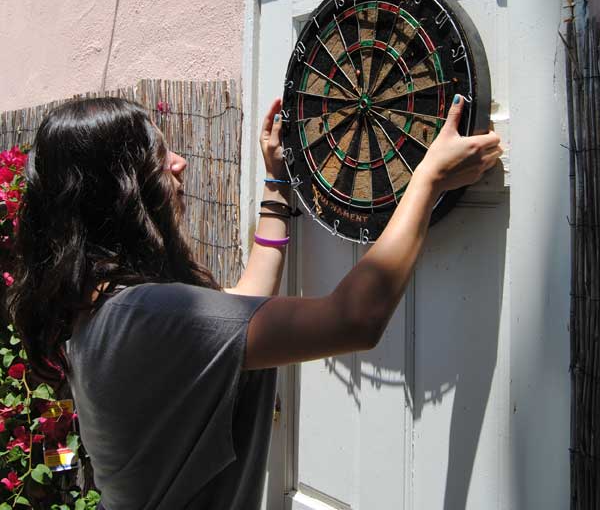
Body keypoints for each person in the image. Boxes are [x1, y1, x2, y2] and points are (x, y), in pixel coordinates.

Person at [8, 94, 501, 509]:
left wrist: (277, 186)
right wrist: (427, 180)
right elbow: (355, 320)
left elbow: (246, 304)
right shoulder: (149, 317)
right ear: (120, 191)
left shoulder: (103, 309)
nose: (179, 163)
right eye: (157, 156)